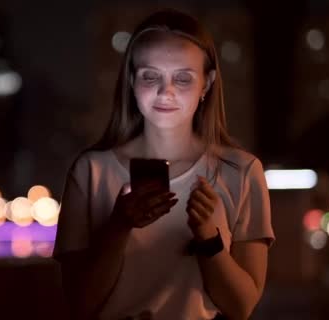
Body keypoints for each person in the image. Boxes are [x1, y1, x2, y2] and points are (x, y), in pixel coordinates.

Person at [53, 8, 275, 320]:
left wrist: (209, 239)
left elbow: (242, 306)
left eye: (183, 78)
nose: (165, 91)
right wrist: (118, 227)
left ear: (207, 84)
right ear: (131, 79)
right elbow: (79, 303)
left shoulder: (240, 171)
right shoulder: (91, 172)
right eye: (150, 76)